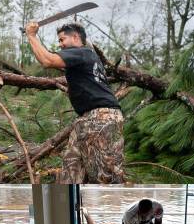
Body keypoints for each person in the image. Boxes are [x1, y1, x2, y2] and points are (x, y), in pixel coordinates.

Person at [24, 21, 124, 183]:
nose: (60, 44)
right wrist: (33, 40)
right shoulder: (84, 57)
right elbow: (48, 57)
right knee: (71, 169)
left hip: (102, 118)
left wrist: (31, 35)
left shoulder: (82, 52)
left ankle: (110, 206)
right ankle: (64, 205)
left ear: (76, 37)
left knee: (107, 176)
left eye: (62, 39)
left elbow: (48, 61)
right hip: (87, 118)